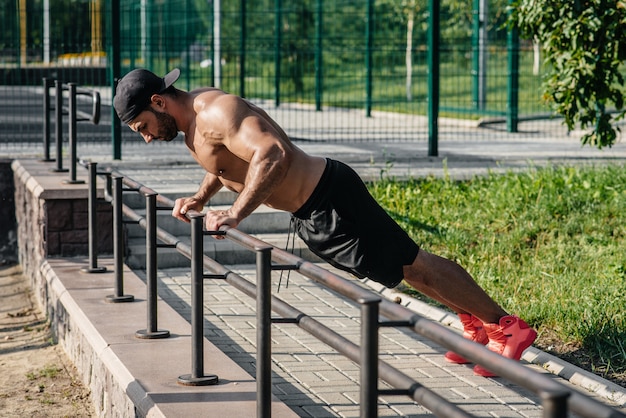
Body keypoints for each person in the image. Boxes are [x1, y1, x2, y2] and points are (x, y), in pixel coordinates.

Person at [114, 68, 537, 377]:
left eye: (144, 127)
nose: (147, 137)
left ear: (159, 102)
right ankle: (476, 325)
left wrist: (237, 212)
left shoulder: (215, 112)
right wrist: (202, 197)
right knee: (404, 269)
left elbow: (272, 153)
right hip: (314, 210)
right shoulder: (193, 123)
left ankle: (506, 327)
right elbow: (226, 162)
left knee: (414, 264)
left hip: (332, 198)